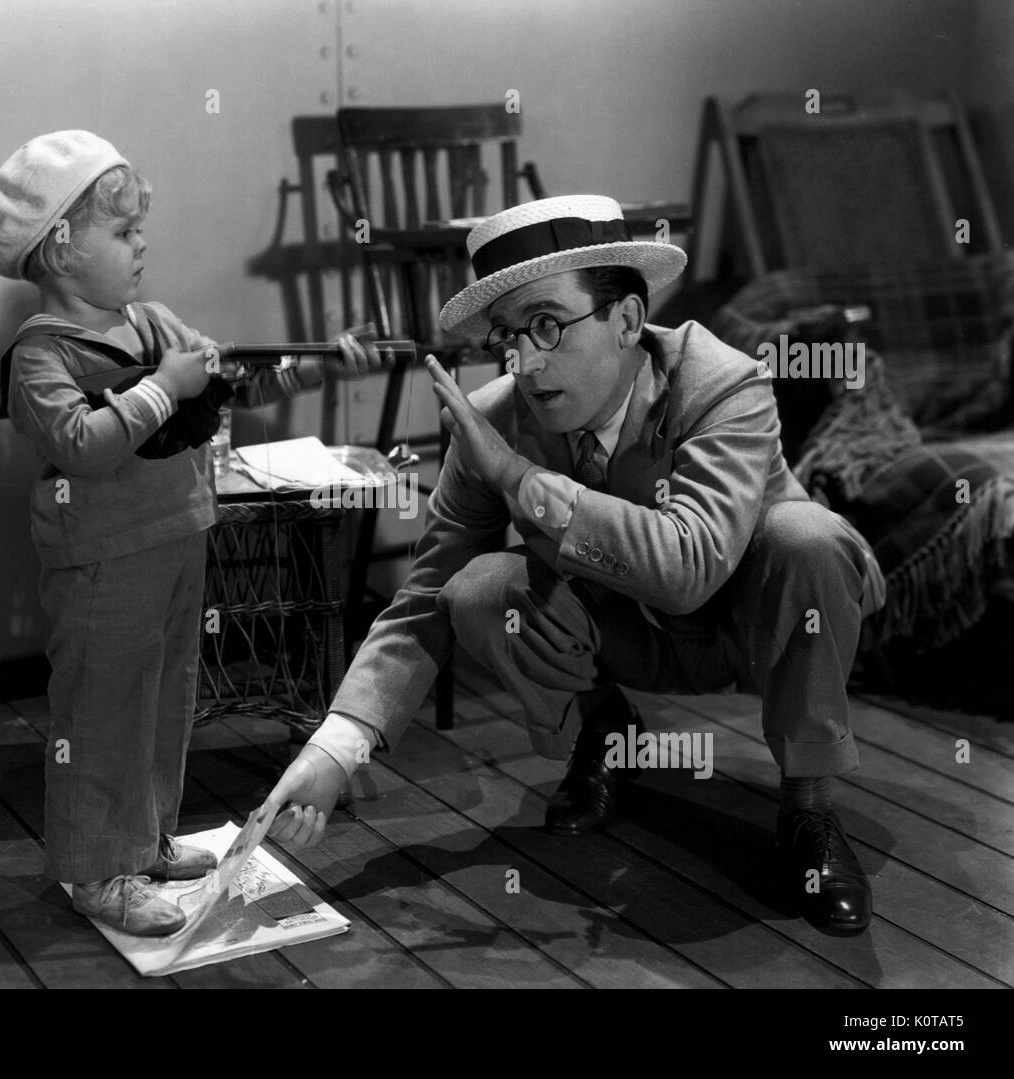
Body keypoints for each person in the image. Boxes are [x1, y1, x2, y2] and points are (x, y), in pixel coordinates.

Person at [264, 194, 885, 934]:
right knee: (481, 590)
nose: (524, 362)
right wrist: (336, 749)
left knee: (807, 536)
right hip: (624, 632)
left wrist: (526, 484)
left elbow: (691, 565)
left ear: (626, 321)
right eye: (507, 336)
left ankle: (808, 808)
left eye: (548, 326)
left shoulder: (723, 384)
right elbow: (428, 593)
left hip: (750, 628)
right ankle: (606, 730)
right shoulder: (495, 419)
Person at [0, 130, 377, 936]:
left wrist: (317, 364)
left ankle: (147, 839)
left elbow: (226, 385)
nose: (142, 246)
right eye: (123, 233)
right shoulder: (40, 357)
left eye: (138, 231)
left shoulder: (151, 322)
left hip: (177, 537)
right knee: (103, 712)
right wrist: (166, 386)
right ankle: (97, 869)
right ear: (60, 248)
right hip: (101, 561)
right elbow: (84, 446)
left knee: (166, 701)